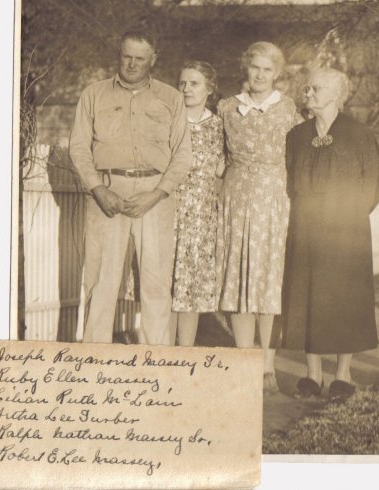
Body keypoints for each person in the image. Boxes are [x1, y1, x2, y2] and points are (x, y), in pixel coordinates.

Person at [69, 30, 191, 345]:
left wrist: (157, 193)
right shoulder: (93, 94)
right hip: (107, 194)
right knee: (102, 281)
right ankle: (95, 359)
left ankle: (157, 362)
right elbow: (79, 149)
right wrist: (98, 189)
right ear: (119, 55)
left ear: (153, 60)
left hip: (155, 195)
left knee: (155, 282)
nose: (132, 64)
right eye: (127, 57)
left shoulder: (171, 99)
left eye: (140, 58)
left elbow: (182, 156)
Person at [281, 68, 379, 400]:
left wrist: (347, 215)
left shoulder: (359, 134)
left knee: (345, 298)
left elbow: (374, 182)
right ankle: (312, 374)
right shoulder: (296, 136)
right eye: (307, 88)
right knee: (306, 295)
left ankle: (343, 374)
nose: (308, 93)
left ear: (335, 95)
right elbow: (289, 183)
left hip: (346, 229)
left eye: (316, 88)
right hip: (306, 227)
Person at [216, 41, 299, 394]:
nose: (261, 75)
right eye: (255, 68)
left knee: (267, 277)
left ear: (276, 73)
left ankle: (266, 363)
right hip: (235, 199)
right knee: (238, 277)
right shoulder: (226, 108)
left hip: (273, 201)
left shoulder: (288, 110)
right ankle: (242, 358)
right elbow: (216, 156)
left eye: (268, 69)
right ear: (246, 70)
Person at [171, 61, 224, 346]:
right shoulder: (168, 122)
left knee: (189, 288)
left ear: (209, 89)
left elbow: (223, 168)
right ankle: (162, 354)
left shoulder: (218, 126)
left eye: (194, 83)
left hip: (201, 216)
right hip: (168, 211)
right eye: (183, 82)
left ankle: (185, 353)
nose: (187, 88)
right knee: (166, 287)